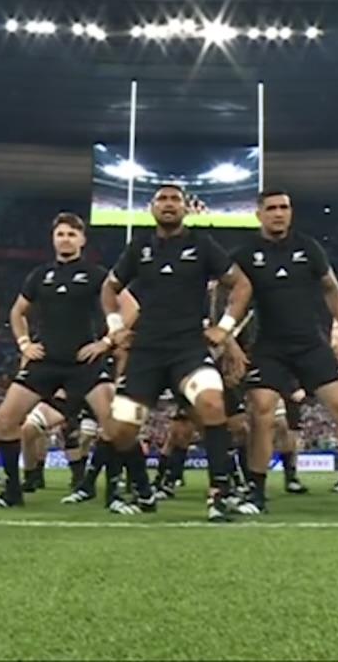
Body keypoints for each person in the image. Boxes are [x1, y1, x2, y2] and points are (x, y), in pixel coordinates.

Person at [221, 191, 338, 514]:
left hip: (311, 342)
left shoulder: (307, 247)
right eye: (271, 209)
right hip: (269, 346)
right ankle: (256, 492)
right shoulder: (244, 254)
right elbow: (223, 297)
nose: (278, 214)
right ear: (259, 215)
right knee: (262, 412)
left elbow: (332, 289)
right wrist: (228, 342)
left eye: (284, 208)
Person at [100, 183, 253, 522]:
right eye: (162, 200)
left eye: (175, 200)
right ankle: (142, 489)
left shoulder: (202, 245)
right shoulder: (139, 246)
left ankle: (219, 494)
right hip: (147, 351)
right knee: (120, 429)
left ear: (187, 208)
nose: (168, 205)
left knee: (213, 404)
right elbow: (109, 288)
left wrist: (225, 328)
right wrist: (115, 328)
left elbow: (241, 285)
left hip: (188, 349)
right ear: (152, 208)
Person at [0, 212, 117, 507]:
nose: (66, 239)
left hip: (83, 363)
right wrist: (24, 343)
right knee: (4, 420)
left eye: (72, 234)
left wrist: (106, 342)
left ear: (82, 240)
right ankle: (13, 490)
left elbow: (129, 307)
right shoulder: (39, 275)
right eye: (61, 234)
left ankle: (109, 489)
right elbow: (16, 312)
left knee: (115, 423)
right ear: (53, 239)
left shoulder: (97, 274)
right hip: (45, 361)